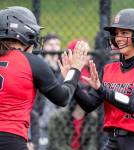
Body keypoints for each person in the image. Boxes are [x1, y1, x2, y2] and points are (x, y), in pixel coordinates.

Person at [59, 8, 134, 150]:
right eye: (117, 33)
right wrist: (73, 82)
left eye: (124, 33)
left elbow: (132, 104)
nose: (118, 38)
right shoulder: (109, 68)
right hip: (113, 141)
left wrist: (101, 88)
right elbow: (89, 105)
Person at [0, 6, 89, 150]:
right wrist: (75, 70)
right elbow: (62, 98)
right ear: (21, 33)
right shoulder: (31, 61)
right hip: (10, 138)